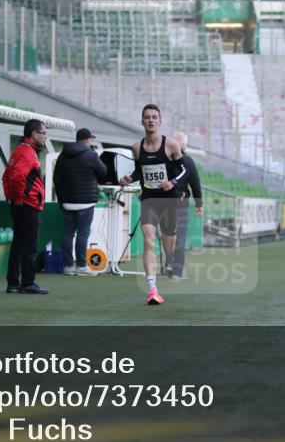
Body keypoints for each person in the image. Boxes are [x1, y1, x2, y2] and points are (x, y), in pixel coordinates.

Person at [119, 104, 188, 305]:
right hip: (149, 199)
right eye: (147, 117)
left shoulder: (171, 146)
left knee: (169, 243)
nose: (151, 120)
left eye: (154, 117)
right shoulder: (136, 147)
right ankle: (153, 290)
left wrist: (173, 182)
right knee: (148, 239)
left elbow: (185, 172)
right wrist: (128, 178)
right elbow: (140, 171)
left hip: (169, 200)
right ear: (142, 121)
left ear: (160, 121)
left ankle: (169, 260)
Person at [2, 119, 49, 295]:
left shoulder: (19, 151)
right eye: (43, 133)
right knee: (29, 245)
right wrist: (19, 198)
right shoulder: (28, 153)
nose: (45, 137)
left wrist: (11, 198)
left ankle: (13, 283)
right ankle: (28, 283)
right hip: (27, 205)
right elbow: (17, 177)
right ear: (34, 134)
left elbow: (6, 176)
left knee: (18, 245)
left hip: (20, 204)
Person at [53, 127, 107, 276]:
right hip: (86, 202)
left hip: (67, 202)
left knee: (68, 233)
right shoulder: (91, 155)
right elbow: (103, 172)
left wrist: (61, 199)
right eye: (90, 139)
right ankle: (82, 266)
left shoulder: (63, 155)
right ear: (87, 140)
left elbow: (56, 179)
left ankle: (68, 266)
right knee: (83, 233)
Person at [165, 131, 202, 279]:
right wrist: (199, 204)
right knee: (180, 236)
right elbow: (195, 184)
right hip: (180, 202)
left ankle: (168, 264)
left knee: (168, 234)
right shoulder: (188, 161)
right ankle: (177, 271)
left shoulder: (165, 160)